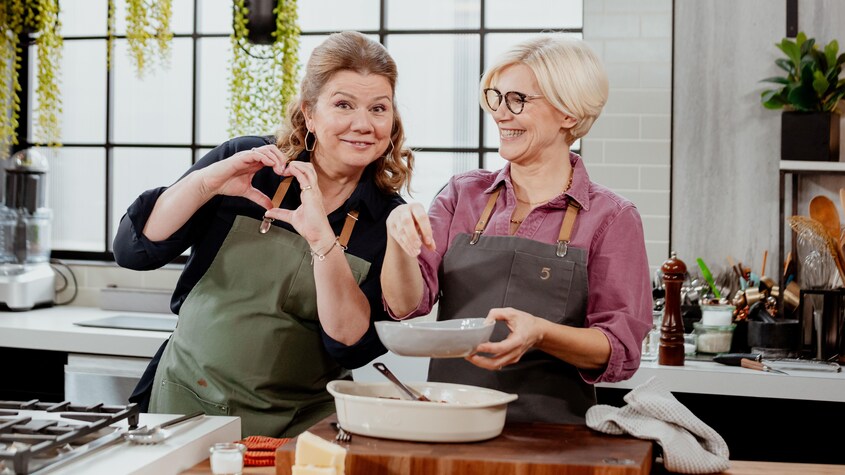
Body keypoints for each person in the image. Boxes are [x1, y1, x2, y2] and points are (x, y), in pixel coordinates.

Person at [114, 31, 413, 437]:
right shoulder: (249, 164)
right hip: (183, 406)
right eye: (343, 104)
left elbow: (352, 344)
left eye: (379, 108)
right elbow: (135, 251)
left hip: (301, 428)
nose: (363, 124)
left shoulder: (387, 220)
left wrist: (324, 243)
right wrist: (206, 184)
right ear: (310, 113)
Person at [380, 36, 651, 424]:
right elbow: (406, 305)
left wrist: (542, 334)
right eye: (496, 97)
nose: (500, 114)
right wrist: (397, 241)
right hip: (449, 425)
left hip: (553, 441)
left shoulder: (612, 217)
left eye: (518, 100)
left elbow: (619, 349)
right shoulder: (463, 194)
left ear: (568, 114)